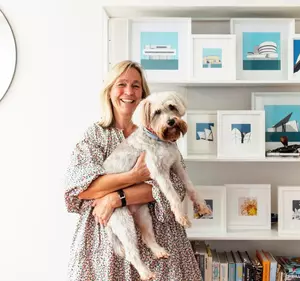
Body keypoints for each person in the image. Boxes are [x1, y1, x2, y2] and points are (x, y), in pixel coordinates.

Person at [64, 60, 202, 281]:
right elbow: (83, 188)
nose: (129, 92)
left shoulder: (161, 133)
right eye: (122, 84)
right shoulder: (94, 135)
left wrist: (116, 197)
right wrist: (134, 177)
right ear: (109, 91)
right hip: (107, 240)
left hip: (161, 239)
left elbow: (176, 186)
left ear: (143, 96)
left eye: (136, 86)